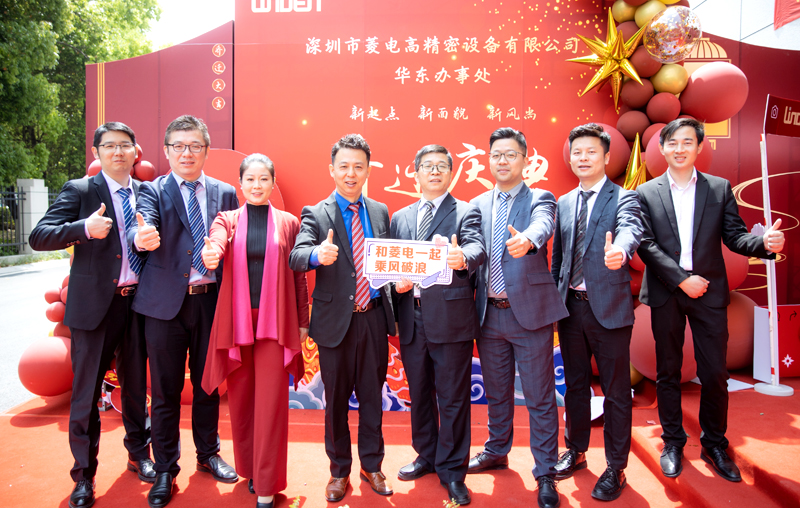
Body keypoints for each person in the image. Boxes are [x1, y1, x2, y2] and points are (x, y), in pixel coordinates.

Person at [636, 118, 785, 482]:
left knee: (716, 373)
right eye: (673, 142)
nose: (680, 149)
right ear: (662, 148)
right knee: (668, 371)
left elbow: (735, 237)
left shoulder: (719, 188)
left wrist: (763, 244)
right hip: (667, 291)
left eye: (688, 142)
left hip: (709, 292)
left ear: (699, 147)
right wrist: (681, 280)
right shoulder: (646, 192)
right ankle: (672, 442)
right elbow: (646, 245)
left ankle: (714, 443)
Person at [30, 122, 153, 508]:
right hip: (95, 309)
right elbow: (39, 236)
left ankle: (139, 455)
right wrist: (83, 227)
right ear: (97, 152)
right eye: (109, 146)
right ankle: (84, 476)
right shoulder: (81, 190)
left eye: (125, 145)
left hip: (138, 305)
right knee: (86, 394)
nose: (118, 152)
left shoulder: (146, 193)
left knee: (137, 388)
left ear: (135, 152)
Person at [129, 115, 239, 508]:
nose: (186, 153)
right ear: (166, 151)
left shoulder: (226, 193)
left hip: (211, 300)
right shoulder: (152, 190)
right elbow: (141, 227)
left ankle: (208, 454)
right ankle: (165, 469)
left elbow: (233, 240)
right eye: (178, 146)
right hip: (164, 306)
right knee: (165, 391)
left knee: (209, 385)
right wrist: (141, 237)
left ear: (206, 150)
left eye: (194, 145)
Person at [289, 134, 396, 503]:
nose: (351, 173)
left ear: (368, 170)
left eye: (358, 166)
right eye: (344, 166)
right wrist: (317, 254)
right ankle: (339, 471)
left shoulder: (380, 211)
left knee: (372, 397)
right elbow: (296, 256)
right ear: (332, 170)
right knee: (335, 401)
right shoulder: (315, 213)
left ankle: (372, 465)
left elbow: (388, 259)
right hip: (335, 322)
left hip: (373, 318)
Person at [200, 154, 309, 508]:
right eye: (250, 179)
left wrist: (303, 320)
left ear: (273, 184)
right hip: (238, 324)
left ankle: (267, 484)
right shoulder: (227, 219)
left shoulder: (289, 223)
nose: (257, 185)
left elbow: (298, 276)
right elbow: (216, 241)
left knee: (271, 405)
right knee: (243, 402)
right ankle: (250, 469)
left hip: (275, 325)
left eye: (264, 179)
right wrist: (213, 253)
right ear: (240, 184)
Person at [469, 127, 568, 508]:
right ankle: (497, 450)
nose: (503, 161)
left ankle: (545, 471)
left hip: (530, 315)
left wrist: (528, 240)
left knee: (540, 397)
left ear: (525, 160)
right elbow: (473, 250)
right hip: (488, 315)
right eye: (497, 155)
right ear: (488, 159)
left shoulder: (541, 198)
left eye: (511, 154)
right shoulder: (477, 204)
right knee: (497, 392)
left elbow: (543, 225)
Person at [550, 123, 643, 501]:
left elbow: (631, 229)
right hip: (571, 309)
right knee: (574, 385)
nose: (583, 158)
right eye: (577, 152)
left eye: (591, 151)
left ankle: (616, 466)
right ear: (570, 158)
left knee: (616, 391)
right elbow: (558, 260)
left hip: (609, 310)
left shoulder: (624, 198)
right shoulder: (563, 202)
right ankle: (575, 450)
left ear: (606, 157)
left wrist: (621, 250)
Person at [391, 144, 485, 506]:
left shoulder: (466, 210)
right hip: (412, 317)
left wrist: (462, 257)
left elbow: (477, 249)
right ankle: (426, 455)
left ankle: (453, 470)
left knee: (453, 397)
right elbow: (391, 263)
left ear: (450, 173)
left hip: (451, 318)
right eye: (427, 166)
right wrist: (395, 282)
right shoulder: (401, 217)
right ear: (415, 173)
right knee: (419, 394)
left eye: (441, 166)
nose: (434, 172)